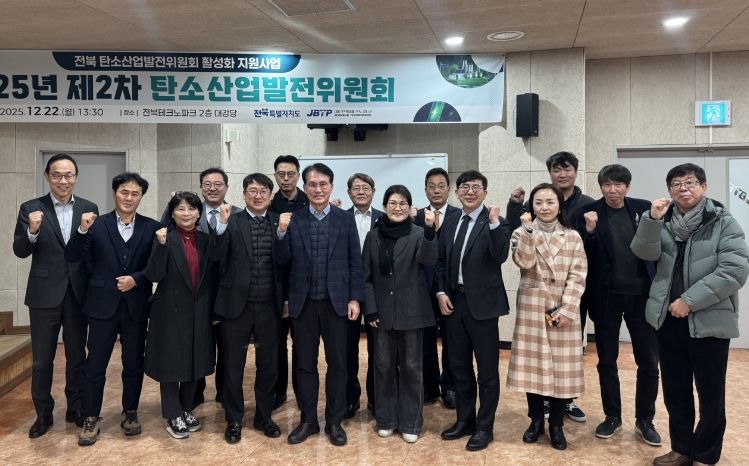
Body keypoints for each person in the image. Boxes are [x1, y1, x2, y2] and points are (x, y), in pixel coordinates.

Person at [631, 163, 749, 466]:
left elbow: (734, 271)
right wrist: (651, 220)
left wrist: (689, 300)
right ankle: (682, 448)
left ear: (704, 187)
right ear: (669, 190)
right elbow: (644, 252)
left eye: (691, 182)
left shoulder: (723, 222)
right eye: (677, 184)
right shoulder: (663, 220)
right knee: (675, 391)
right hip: (668, 320)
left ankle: (706, 455)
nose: (683, 188)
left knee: (710, 394)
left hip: (710, 320)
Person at [65, 172, 161, 446]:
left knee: (133, 364)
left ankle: (130, 412)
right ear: (114, 193)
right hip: (101, 306)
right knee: (95, 365)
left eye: (135, 194)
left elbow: (156, 266)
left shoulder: (152, 227)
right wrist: (81, 230)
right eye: (124, 192)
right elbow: (73, 256)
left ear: (141, 197)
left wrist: (137, 279)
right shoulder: (96, 225)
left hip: (136, 307)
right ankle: (91, 416)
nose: (129, 198)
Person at [275, 162, 363, 447]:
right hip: (302, 305)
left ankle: (334, 421)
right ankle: (308, 420)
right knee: (304, 365)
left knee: (338, 364)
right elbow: (282, 262)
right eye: (312, 184)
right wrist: (280, 233)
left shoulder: (344, 219)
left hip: (337, 304)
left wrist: (354, 298)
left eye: (323, 184)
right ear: (305, 187)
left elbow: (355, 262)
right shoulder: (294, 219)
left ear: (331, 187)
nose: (318, 189)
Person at [13, 153, 99, 438]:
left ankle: (75, 407)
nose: (63, 181)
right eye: (57, 175)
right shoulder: (31, 208)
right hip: (43, 295)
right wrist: (32, 230)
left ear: (76, 177)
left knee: (77, 355)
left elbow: (90, 252)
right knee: (42, 360)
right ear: (47, 176)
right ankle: (43, 414)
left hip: (77, 294)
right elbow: (20, 250)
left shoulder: (88, 208)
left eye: (68, 175)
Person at [575, 165, 661, 446]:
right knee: (607, 361)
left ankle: (645, 419)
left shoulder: (644, 209)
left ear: (627, 186)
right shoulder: (588, 212)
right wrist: (589, 232)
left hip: (642, 297)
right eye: (607, 185)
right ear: (601, 186)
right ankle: (612, 416)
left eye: (619, 184)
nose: (613, 190)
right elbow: (580, 257)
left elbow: (658, 246)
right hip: (606, 297)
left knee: (648, 361)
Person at [505, 151, 592, 423]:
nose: (544, 207)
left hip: (562, 309)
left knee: (562, 370)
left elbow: (578, 275)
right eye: (539, 202)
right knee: (533, 369)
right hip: (533, 309)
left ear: (559, 205)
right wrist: (529, 231)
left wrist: (568, 309)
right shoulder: (521, 232)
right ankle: (535, 422)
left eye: (550, 202)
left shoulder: (573, 236)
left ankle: (556, 425)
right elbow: (524, 261)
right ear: (532, 206)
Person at [435, 170, 512, 452]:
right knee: (459, 368)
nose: (470, 191)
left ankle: (484, 427)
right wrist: (441, 292)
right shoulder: (450, 220)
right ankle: (464, 421)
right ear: (456, 192)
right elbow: (440, 261)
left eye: (476, 187)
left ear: (485, 192)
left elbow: (500, 255)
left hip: (484, 307)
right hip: (454, 303)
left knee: (487, 372)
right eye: (464, 187)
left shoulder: (496, 222)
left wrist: (494, 223)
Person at [209, 173, 286, 443]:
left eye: (263, 191)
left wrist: (282, 234)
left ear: (271, 196)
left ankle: (264, 416)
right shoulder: (231, 221)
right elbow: (216, 257)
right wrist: (221, 226)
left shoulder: (280, 221)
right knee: (233, 365)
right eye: (252, 190)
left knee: (269, 366)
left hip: (269, 306)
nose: (257, 195)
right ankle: (233, 419)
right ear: (244, 194)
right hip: (235, 307)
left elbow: (287, 262)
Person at [160, 167, 242, 408]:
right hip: (195, 293)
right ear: (201, 187)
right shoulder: (189, 209)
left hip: (227, 294)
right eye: (207, 184)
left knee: (226, 349)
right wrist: (173, 203)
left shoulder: (237, 214)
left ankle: (224, 395)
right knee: (195, 345)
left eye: (218, 184)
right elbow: (165, 234)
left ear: (227, 187)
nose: (212, 188)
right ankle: (193, 398)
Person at [363, 185, 437, 443]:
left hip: (412, 311)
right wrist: (370, 309)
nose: (397, 208)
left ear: (409, 207)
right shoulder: (373, 236)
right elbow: (366, 276)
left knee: (411, 368)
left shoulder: (418, 233)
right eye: (392, 203)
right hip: (381, 313)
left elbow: (428, 260)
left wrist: (430, 232)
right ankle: (386, 419)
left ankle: (411, 423)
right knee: (383, 366)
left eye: (403, 203)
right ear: (384, 207)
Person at [145, 192, 215, 439]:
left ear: (199, 213)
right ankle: (173, 413)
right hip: (170, 311)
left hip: (199, 309)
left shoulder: (206, 239)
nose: (187, 214)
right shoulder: (164, 237)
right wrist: (161, 246)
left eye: (192, 209)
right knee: (170, 363)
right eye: (181, 209)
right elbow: (153, 274)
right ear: (172, 213)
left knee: (194, 361)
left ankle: (186, 409)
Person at [414, 167, 460, 409]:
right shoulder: (415, 217)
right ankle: (429, 387)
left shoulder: (459, 215)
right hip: (422, 289)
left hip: (451, 290)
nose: (436, 190)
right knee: (425, 341)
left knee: (452, 341)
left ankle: (450, 387)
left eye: (441, 185)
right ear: (425, 190)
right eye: (431, 186)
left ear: (448, 189)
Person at [268, 155, 310, 411]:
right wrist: (283, 296)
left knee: (302, 345)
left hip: (305, 287)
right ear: (275, 176)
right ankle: (278, 390)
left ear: (298, 175)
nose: (286, 178)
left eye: (290, 173)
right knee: (277, 343)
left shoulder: (310, 202)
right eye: (281, 174)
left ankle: (302, 393)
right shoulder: (268, 204)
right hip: (277, 285)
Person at [344, 173, 384, 419]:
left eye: (365, 188)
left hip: (376, 293)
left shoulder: (384, 218)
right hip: (347, 293)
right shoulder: (340, 218)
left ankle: (376, 399)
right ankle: (350, 399)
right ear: (349, 192)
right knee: (347, 350)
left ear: (373, 191)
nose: (361, 192)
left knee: (378, 350)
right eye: (356, 188)